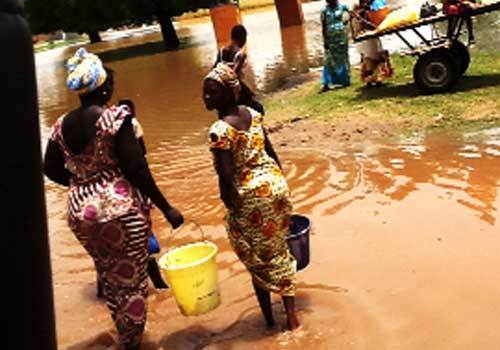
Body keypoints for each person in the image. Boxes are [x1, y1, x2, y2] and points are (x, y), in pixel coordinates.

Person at [44, 48, 183, 350]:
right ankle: (131, 344)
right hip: (120, 212)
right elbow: (136, 167)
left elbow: (50, 168)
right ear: (104, 86)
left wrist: (84, 184)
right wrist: (166, 206)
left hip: (81, 214)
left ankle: (123, 336)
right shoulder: (116, 118)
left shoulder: (60, 126)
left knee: (110, 277)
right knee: (132, 282)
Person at [203, 63, 300, 330]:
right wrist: (281, 184)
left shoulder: (220, 130)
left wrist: (230, 206)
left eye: (212, 93)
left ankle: (271, 321)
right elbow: (270, 152)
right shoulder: (253, 114)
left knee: (257, 260)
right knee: (279, 251)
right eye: (205, 92)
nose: (206, 98)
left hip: (251, 197)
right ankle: (291, 317)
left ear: (228, 93)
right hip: (276, 187)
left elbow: (225, 175)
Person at [214, 24, 265, 115]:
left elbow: (214, 69)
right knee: (258, 108)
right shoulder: (240, 54)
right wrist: (248, 92)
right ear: (243, 38)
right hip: (234, 91)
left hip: (221, 91)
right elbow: (234, 75)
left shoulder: (221, 51)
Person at [320, 0, 351, 93]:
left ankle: (345, 80)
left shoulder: (343, 7)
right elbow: (323, 27)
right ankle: (326, 83)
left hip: (342, 38)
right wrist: (325, 41)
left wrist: (346, 23)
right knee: (328, 60)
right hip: (330, 39)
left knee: (343, 59)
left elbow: (350, 17)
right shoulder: (324, 11)